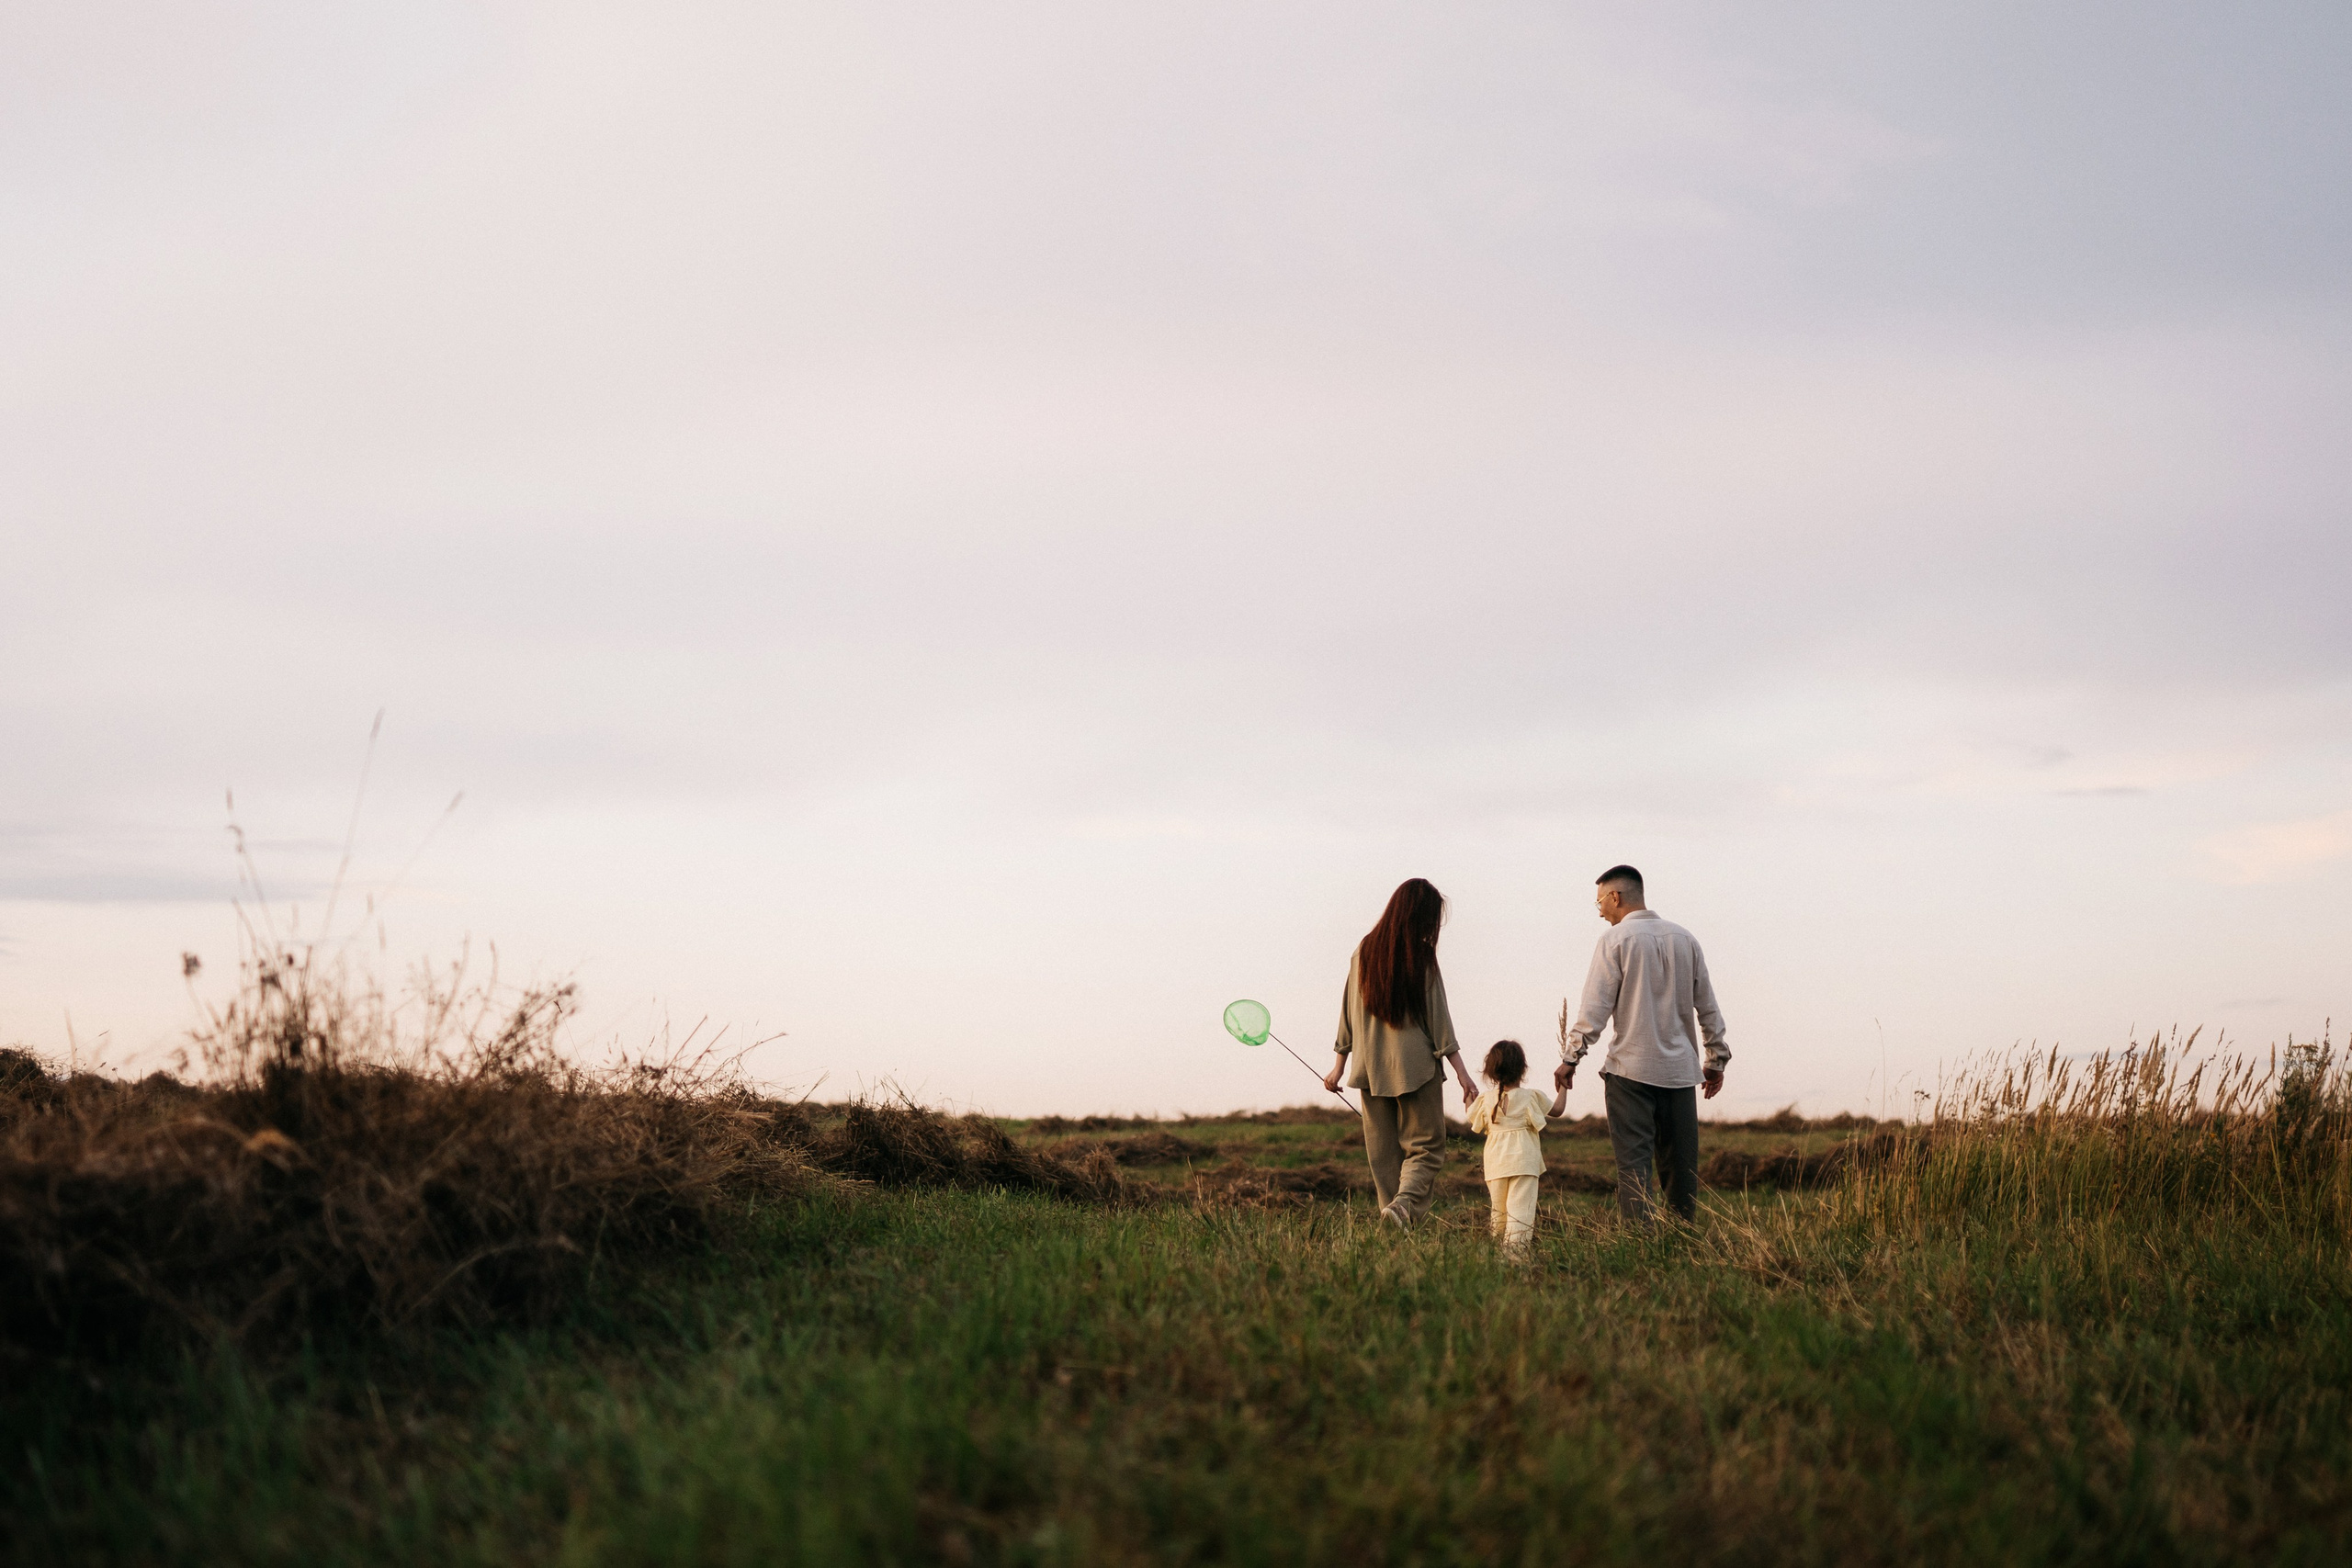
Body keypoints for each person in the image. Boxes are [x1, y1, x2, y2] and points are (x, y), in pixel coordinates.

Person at [1554, 864, 1730, 1224]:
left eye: (1599, 901)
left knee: (1633, 1163)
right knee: (1681, 1166)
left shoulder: (1614, 941)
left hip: (1629, 1071)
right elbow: (1707, 1005)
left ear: (1615, 896)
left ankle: (1639, 1241)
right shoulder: (1686, 939)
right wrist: (1716, 1058)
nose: (1600, 910)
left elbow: (1595, 1007)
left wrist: (1571, 1058)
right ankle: (1682, 1239)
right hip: (1680, 1072)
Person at [1324, 877, 1480, 1228]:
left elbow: (1347, 1012)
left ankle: (1394, 1223)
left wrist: (1338, 1067)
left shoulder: (1363, 951)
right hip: (1415, 1068)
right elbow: (1439, 1018)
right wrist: (1461, 1073)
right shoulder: (1420, 956)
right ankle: (1404, 1207)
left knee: (1384, 1157)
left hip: (1368, 1068)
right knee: (1425, 1148)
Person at [1466, 1038, 1566, 1258]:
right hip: (1524, 1162)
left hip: (1495, 1165)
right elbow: (1557, 1110)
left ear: (1491, 1072)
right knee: (1520, 1213)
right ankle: (1514, 1260)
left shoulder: (1486, 1100)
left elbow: (1471, 1116)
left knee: (1498, 1214)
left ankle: (1495, 1256)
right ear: (1522, 1069)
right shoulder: (1530, 1097)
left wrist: (1468, 1097)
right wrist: (1564, 1088)